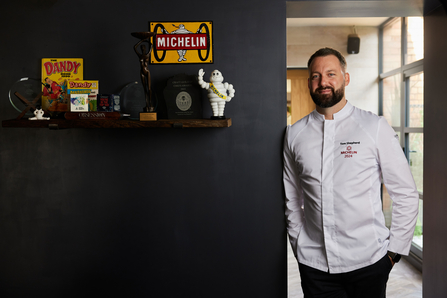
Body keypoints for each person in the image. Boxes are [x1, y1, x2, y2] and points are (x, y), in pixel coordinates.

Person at [283, 47, 419, 298]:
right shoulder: (295, 134)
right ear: (309, 82)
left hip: (369, 262)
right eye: (315, 76)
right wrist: (298, 243)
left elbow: (406, 193)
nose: (323, 82)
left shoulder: (373, 126)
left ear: (346, 78)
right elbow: (292, 197)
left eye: (331, 74)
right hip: (315, 266)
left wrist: (393, 254)